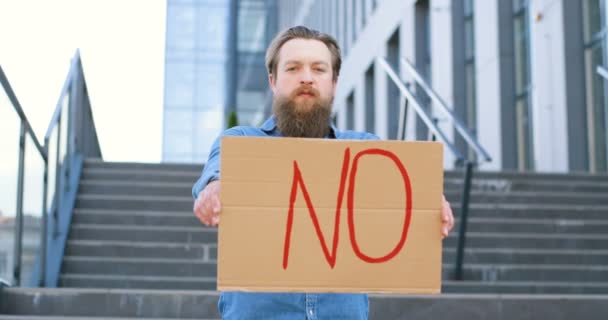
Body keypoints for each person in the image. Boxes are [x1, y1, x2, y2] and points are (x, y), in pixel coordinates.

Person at [192, 25, 454, 320]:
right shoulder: (241, 141)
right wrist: (214, 188)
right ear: (273, 80)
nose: (306, 77)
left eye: (318, 69)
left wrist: (431, 203)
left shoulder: (366, 150)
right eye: (293, 68)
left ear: (334, 82)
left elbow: (405, 192)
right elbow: (218, 170)